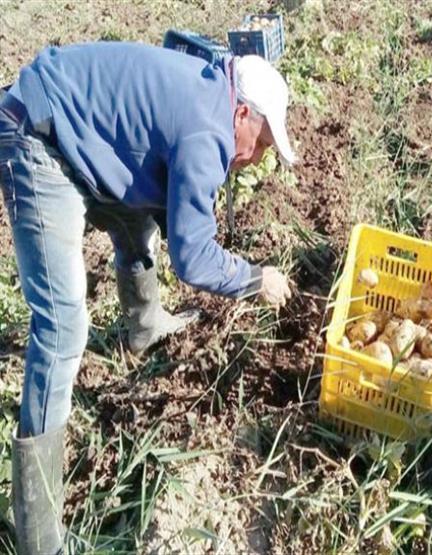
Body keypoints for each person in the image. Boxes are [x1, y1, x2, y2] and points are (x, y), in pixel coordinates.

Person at [0, 42, 295, 553]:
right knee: (63, 325)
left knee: (138, 218)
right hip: (39, 139)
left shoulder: (210, 93)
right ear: (241, 112)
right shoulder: (208, 131)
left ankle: (145, 325)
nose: (256, 157)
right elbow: (194, 259)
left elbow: (166, 195)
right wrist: (254, 279)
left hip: (76, 128)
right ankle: (38, 536)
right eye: (261, 143)